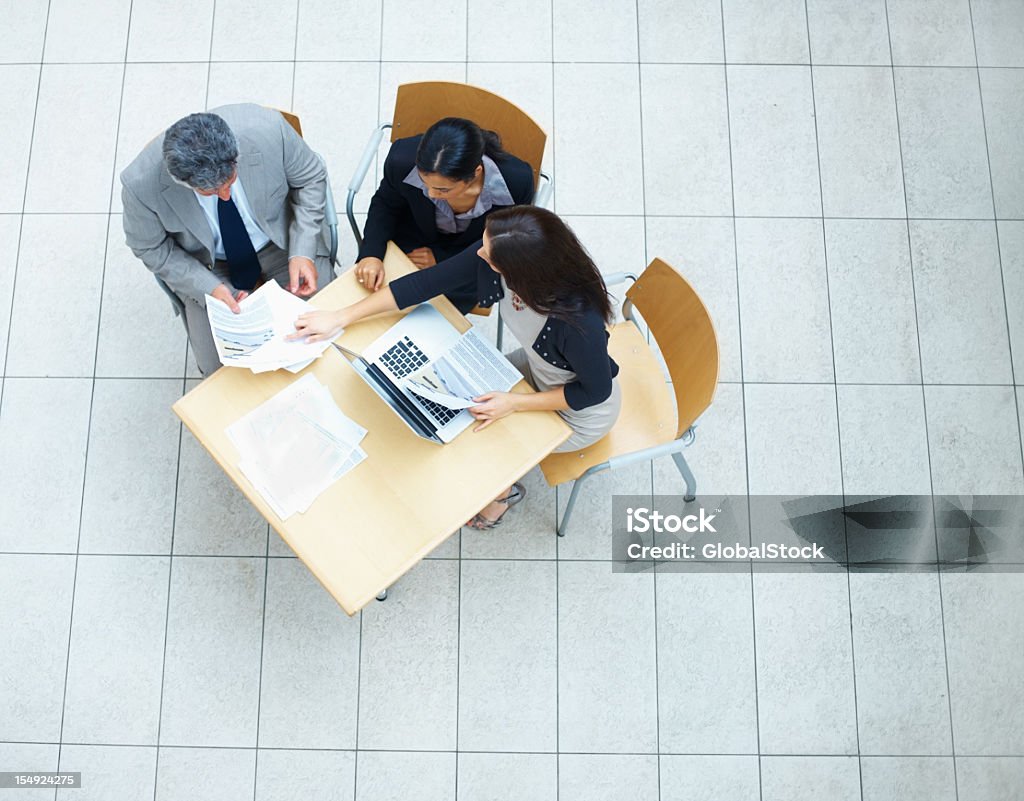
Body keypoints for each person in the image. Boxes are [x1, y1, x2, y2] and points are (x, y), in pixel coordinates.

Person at [291, 206, 622, 529]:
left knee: (481, 439)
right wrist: (341, 317)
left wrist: (514, 404)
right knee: (461, 414)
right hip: (537, 374)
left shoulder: (579, 324)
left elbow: (594, 391)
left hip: (577, 412)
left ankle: (502, 494)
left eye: (488, 254)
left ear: (523, 271)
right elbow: (425, 284)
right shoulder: (502, 250)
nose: (480, 253)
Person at [120, 103, 335, 375]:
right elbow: (149, 246)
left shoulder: (269, 129)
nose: (224, 195)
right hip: (209, 267)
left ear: (236, 155)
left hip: (283, 242)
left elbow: (311, 178)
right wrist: (208, 287)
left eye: (230, 181)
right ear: (180, 180)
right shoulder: (139, 185)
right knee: (220, 373)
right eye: (209, 191)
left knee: (331, 327)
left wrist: (302, 249)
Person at [354, 117, 534, 313]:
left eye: (442, 189)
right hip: (413, 239)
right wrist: (371, 253)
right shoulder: (401, 159)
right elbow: (386, 204)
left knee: (429, 319)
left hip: (471, 257)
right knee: (380, 299)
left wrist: (441, 258)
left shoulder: (516, 183)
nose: (430, 194)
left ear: (475, 173)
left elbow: (502, 244)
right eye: (424, 183)